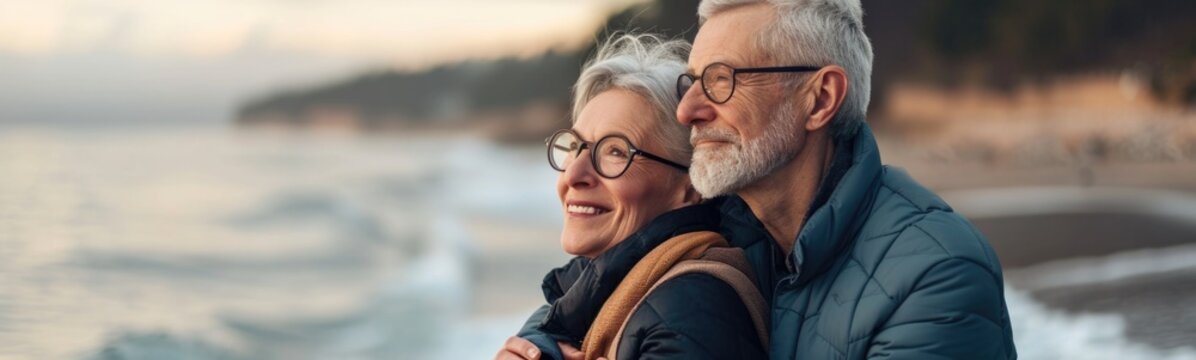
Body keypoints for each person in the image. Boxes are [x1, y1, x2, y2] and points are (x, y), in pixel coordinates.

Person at [506, 0, 1018, 359]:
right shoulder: (730, 224)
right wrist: (540, 346)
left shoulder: (936, 274)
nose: (688, 109)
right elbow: (592, 288)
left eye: (721, 81)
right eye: (692, 81)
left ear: (818, 99)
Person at [494, 34, 768, 360]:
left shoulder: (690, 309)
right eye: (575, 146)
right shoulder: (606, 295)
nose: (573, 174)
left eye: (615, 151)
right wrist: (539, 342)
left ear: (692, 186)